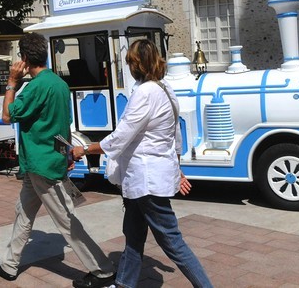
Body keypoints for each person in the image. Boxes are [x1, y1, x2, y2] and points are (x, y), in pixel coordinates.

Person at [71, 39, 212, 288]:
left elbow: (122, 135)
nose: (130, 68)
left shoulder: (146, 92)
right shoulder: (165, 89)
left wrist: (85, 148)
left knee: (172, 242)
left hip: (147, 179)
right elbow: (175, 138)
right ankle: (124, 283)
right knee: (134, 234)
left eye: (130, 63)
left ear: (137, 64)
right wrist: (178, 170)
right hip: (149, 176)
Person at [0, 33, 115, 288]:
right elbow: (63, 125)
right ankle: (9, 264)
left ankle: (102, 270)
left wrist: (11, 82)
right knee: (23, 213)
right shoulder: (59, 83)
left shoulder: (35, 87)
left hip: (41, 164)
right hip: (47, 160)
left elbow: (8, 115)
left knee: (65, 220)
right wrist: (66, 152)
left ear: (23, 58)